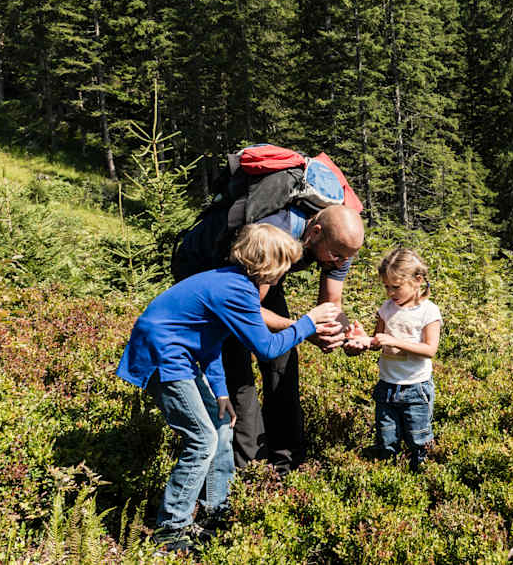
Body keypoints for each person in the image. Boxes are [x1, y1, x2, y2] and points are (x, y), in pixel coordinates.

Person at [116, 224, 341, 552]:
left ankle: (215, 511)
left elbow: (211, 343)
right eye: (286, 265)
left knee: (222, 427)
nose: (288, 272)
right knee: (202, 439)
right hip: (162, 357)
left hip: (179, 355)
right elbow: (265, 348)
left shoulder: (235, 284)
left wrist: (221, 394)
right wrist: (309, 322)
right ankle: (171, 531)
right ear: (272, 267)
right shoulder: (234, 290)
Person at [177, 200, 364, 473]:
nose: (340, 262)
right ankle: (248, 467)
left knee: (283, 359)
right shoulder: (276, 231)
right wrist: (303, 328)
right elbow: (249, 310)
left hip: (266, 277)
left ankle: (286, 463)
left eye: (348, 257)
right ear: (316, 232)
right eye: (336, 255)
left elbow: (332, 304)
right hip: (215, 278)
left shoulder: (339, 246)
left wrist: (347, 335)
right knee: (238, 371)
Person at [347, 248, 442, 471]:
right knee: (386, 438)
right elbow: (379, 341)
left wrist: (395, 341)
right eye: (387, 287)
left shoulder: (429, 312)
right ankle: (389, 477)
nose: (390, 293)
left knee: (419, 440)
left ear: (418, 281)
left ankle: (422, 477)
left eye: (396, 287)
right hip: (387, 386)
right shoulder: (386, 309)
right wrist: (363, 340)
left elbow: (430, 349)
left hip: (416, 388)